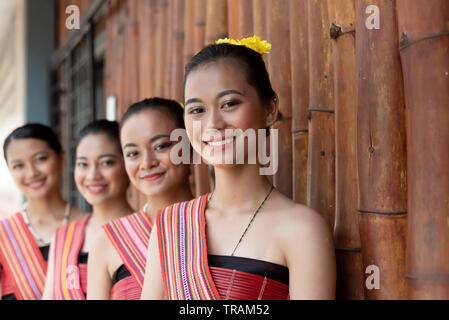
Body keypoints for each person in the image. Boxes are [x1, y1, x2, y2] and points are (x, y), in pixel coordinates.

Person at [141, 36, 336, 300]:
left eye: (229, 104)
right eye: (197, 109)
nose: (213, 124)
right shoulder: (171, 225)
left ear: (270, 109)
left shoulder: (302, 229)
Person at [87, 98, 193, 300]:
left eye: (161, 146)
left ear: (191, 148)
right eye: (133, 153)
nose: (146, 163)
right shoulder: (108, 241)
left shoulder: (220, 224)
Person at [42, 120, 133, 299]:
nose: (92, 175)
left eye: (106, 162)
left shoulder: (149, 230)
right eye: (83, 164)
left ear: (127, 163)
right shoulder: (63, 238)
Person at [0, 124, 86, 300]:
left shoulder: (92, 227)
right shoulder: (4, 237)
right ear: (10, 171)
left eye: (40, 159)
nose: (31, 173)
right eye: (18, 166)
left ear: (62, 158)